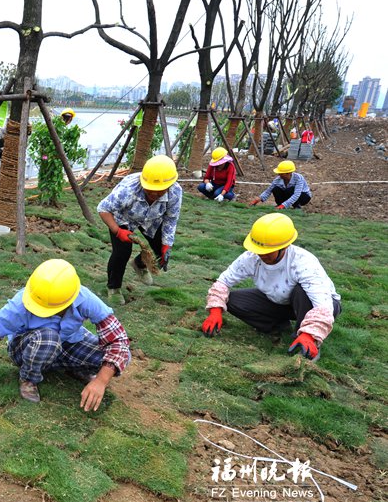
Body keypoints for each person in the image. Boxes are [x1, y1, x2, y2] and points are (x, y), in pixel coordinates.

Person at [0, 259, 131, 409]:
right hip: (27, 348)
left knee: (120, 357)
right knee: (49, 339)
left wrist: (101, 381)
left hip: (67, 342)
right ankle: (28, 378)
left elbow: (118, 342)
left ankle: (72, 368)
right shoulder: (20, 304)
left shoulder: (85, 299)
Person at [201, 213, 340, 362]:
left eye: (267, 251)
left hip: (318, 305)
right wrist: (215, 310)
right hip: (279, 301)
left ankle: (308, 343)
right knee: (232, 300)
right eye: (259, 250)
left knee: (302, 292)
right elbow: (223, 282)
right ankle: (278, 325)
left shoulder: (303, 263)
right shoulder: (251, 257)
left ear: (284, 247)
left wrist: (310, 334)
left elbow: (323, 306)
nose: (262, 255)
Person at [97, 155, 182, 304]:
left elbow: (171, 218)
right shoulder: (128, 189)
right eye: (150, 190)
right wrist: (117, 230)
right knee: (122, 252)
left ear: (169, 186)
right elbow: (103, 209)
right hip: (123, 218)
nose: (154, 194)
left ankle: (140, 264)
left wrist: (167, 244)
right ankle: (114, 288)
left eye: (160, 190)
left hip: (151, 219)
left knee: (159, 249)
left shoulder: (175, 192)